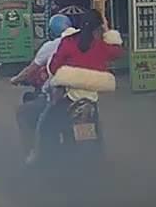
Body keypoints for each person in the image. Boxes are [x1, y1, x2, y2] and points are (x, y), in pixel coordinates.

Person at [26, 9, 123, 165]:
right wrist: (107, 30)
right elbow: (118, 52)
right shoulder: (102, 46)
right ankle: (98, 161)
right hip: (90, 101)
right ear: (98, 28)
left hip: (67, 98)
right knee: (95, 132)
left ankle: (41, 158)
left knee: (45, 126)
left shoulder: (68, 42)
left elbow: (53, 67)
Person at [12, 14, 72, 155]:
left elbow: (30, 70)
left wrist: (15, 79)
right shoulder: (81, 44)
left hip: (58, 96)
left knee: (22, 113)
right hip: (83, 96)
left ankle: (31, 152)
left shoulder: (51, 46)